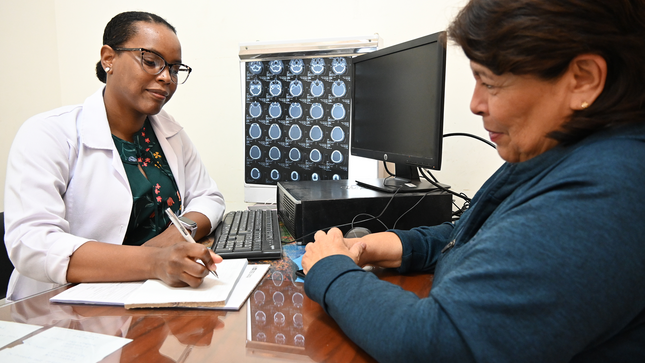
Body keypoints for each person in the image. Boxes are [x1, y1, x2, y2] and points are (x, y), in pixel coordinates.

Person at [301, 0, 645, 361]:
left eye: (490, 83)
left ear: (583, 79)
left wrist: (332, 272)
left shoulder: (605, 197)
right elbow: (482, 236)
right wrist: (396, 245)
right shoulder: (565, 152)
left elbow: (437, 344)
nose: (474, 103)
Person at [4, 11, 225, 301]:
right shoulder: (48, 133)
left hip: (148, 296)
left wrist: (176, 233)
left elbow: (209, 197)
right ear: (109, 58)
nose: (166, 78)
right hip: (61, 306)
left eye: (173, 68)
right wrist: (153, 261)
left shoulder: (168, 132)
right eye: (151, 61)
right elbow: (32, 244)